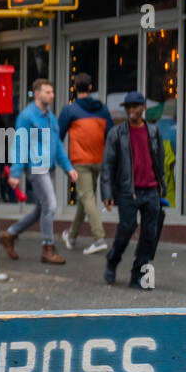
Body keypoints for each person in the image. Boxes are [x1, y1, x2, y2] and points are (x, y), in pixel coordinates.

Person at [0, 78, 77, 265]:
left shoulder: (50, 117)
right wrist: (15, 173)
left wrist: (68, 168)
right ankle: (48, 248)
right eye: (47, 92)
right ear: (37, 93)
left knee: (41, 208)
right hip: (36, 166)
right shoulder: (27, 116)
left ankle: (10, 234)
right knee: (50, 204)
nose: (51, 95)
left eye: (52, 91)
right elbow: (20, 143)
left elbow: (57, 145)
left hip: (47, 166)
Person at [101, 91, 165, 288]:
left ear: (143, 108)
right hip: (129, 190)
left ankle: (138, 274)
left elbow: (160, 160)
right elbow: (108, 165)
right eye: (127, 107)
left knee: (149, 235)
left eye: (134, 107)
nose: (130, 111)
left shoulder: (153, 131)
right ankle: (112, 260)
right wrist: (107, 193)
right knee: (126, 228)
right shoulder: (116, 133)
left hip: (152, 190)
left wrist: (162, 187)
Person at [57, 72, 111, 255]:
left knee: (87, 197)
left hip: (81, 161)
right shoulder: (102, 109)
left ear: (75, 88)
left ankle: (99, 237)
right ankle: (71, 236)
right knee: (84, 197)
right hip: (99, 159)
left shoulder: (70, 110)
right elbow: (109, 135)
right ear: (90, 88)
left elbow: (58, 135)